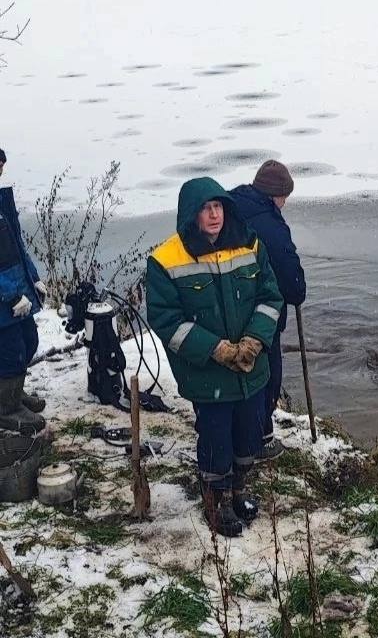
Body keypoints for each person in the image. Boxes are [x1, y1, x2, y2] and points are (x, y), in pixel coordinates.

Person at [146, 177, 283, 537]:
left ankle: (239, 489)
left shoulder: (249, 242)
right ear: (191, 214)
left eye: (219, 206)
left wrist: (255, 340)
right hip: (208, 375)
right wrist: (215, 349)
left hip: (251, 367)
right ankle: (215, 498)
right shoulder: (165, 259)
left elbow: (270, 297)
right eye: (206, 208)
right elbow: (166, 320)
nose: (214, 214)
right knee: (216, 437)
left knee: (250, 433)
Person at [230, 160, 306, 461]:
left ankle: (239, 434)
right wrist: (298, 290)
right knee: (266, 374)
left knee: (237, 372)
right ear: (275, 194)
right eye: (284, 196)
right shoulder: (270, 225)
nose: (285, 202)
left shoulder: (230, 206)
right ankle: (259, 439)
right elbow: (290, 279)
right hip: (262, 312)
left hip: (227, 308)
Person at [0, 148, 47, 434]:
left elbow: (16, 248)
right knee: (11, 351)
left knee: (28, 341)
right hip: (5, 299)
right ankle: (6, 408)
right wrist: (8, 294)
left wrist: (34, 278)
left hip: (18, 291)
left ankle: (12, 393)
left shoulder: (2, 201)